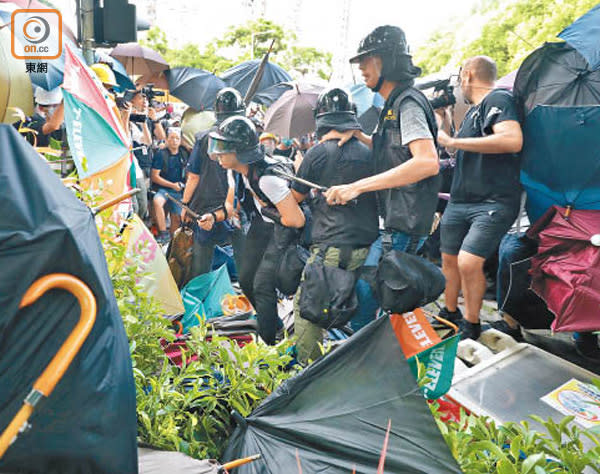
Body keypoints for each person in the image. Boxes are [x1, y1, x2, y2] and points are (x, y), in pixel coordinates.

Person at [324, 25, 440, 329]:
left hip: (405, 220)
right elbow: (392, 150)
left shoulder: (408, 103)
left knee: (373, 293)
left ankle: (373, 358)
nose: (361, 68)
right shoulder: (392, 104)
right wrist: (358, 135)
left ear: (387, 60)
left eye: (368, 59)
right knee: (384, 296)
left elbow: (427, 161)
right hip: (394, 217)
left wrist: (355, 187)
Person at [435, 56, 523, 340]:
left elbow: (512, 140)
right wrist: (447, 123)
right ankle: (450, 313)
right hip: (460, 200)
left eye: (461, 76)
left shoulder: (499, 99)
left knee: (468, 262)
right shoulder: (474, 111)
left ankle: (471, 323)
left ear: (469, 75)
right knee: (448, 260)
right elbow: (459, 152)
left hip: (492, 202)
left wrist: (453, 141)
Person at [290, 87, 379, 363]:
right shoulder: (369, 152)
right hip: (369, 247)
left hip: (331, 248)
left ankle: (310, 371)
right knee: (362, 312)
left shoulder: (317, 154)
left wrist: (299, 168)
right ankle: (363, 366)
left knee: (307, 307)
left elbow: (294, 198)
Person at [208, 116, 305, 345]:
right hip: (262, 226)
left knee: (262, 285)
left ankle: (269, 343)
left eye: (224, 148)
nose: (218, 154)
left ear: (240, 152)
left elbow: (296, 220)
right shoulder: (239, 170)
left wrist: (266, 210)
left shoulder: (267, 179)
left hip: (282, 230)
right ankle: (271, 321)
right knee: (246, 278)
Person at [180, 88, 245, 279]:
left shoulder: (203, 137)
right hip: (234, 206)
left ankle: (201, 295)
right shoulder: (244, 138)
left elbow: (193, 176)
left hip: (205, 203)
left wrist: (185, 204)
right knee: (241, 255)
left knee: (202, 261)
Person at [151, 128, 188, 244]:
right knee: (157, 201)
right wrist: (172, 185)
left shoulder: (184, 153)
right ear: (166, 139)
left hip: (179, 190)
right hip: (164, 189)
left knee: (176, 219)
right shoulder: (161, 154)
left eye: (177, 138)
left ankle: (172, 243)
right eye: (171, 138)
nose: (174, 141)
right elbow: (154, 176)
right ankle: (163, 233)